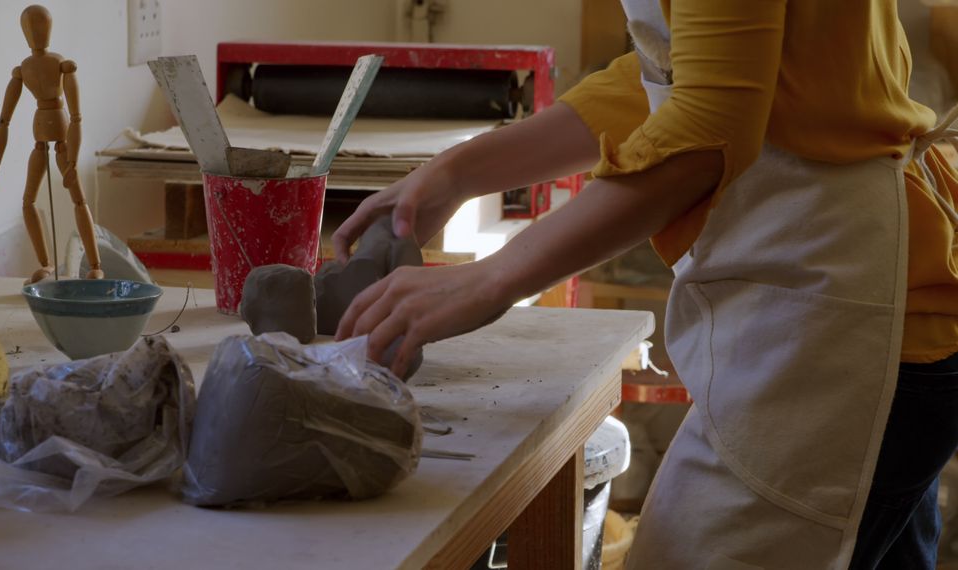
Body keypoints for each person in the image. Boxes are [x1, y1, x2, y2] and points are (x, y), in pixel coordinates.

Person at [332, 1, 958, 568]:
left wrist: (491, 278)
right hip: (841, 308)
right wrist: (457, 172)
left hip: (850, 331)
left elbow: (708, 128)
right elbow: (676, 75)